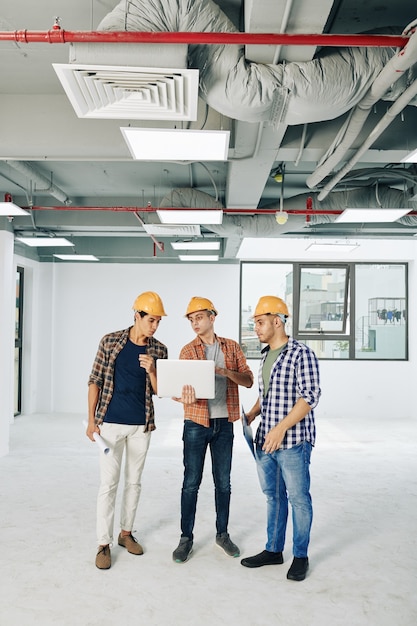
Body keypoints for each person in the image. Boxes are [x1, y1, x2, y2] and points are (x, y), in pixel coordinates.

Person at [241, 295, 321, 581]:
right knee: (273, 496)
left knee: (298, 498)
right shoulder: (265, 355)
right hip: (265, 441)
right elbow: (267, 396)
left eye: (260, 322)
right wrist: (251, 415)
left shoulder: (302, 354)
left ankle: (300, 556)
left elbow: (309, 397)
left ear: (278, 321)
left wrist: (280, 428)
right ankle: (274, 550)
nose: (257, 329)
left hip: (293, 442)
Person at [87, 291, 168, 570]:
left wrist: (153, 371)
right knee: (108, 484)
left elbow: (161, 392)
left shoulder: (159, 350)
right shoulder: (110, 342)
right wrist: (91, 421)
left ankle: (125, 534)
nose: (154, 327)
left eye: (158, 322)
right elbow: (94, 380)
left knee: (134, 482)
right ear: (137, 315)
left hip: (140, 427)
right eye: (151, 320)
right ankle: (102, 544)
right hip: (109, 425)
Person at [172, 296, 254, 563]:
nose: (195, 323)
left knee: (224, 483)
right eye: (191, 319)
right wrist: (181, 395)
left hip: (224, 424)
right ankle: (186, 538)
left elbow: (249, 381)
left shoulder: (231, 347)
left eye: (199, 318)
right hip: (196, 422)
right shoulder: (187, 351)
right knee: (191, 483)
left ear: (212, 317)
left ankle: (222, 534)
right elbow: (177, 388)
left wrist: (226, 372)